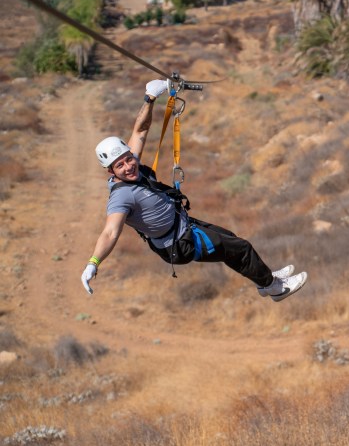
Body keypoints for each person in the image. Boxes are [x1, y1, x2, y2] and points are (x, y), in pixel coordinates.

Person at [81, 80, 308, 301]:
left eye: (128, 159)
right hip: (180, 244)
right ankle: (274, 288)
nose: (129, 166)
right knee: (241, 248)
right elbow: (110, 232)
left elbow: (140, 130)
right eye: (120, 165)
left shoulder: (132, 165)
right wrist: (94, 262)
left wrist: (149, 98)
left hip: (183, 225)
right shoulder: (121, 196)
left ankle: (262, 278)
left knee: (230, 239)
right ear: (110, 172)